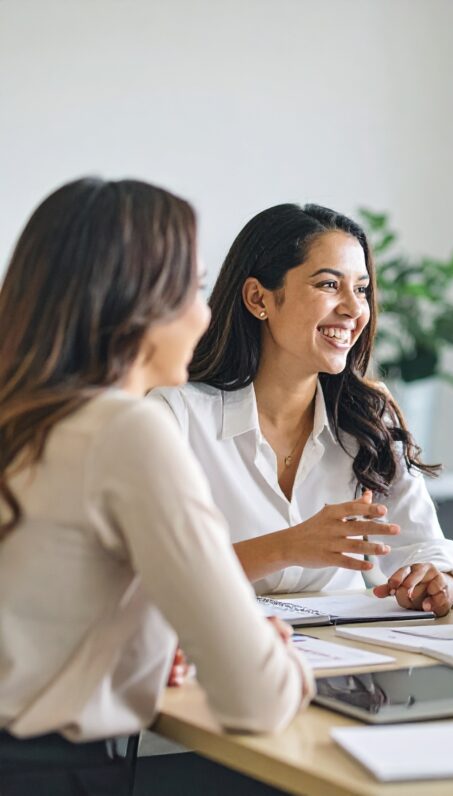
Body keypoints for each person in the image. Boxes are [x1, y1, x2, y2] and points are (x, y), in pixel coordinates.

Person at [0, 179, 311, 789]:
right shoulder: (125, 430)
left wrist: (138, 643)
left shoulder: (23, 421)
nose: (205, 314)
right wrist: (268, 653)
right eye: (193, 289)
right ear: (136, 303)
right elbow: (256, 699)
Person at [152, 204, 453, 616]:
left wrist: (436, 579)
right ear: (258, 298)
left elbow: (423, 544)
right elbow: (151, 575)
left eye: (361, 289)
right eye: (328, 285)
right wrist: (288, 546)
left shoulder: (369, 416)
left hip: (348, 665)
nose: (354, 310)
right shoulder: (175, 417)